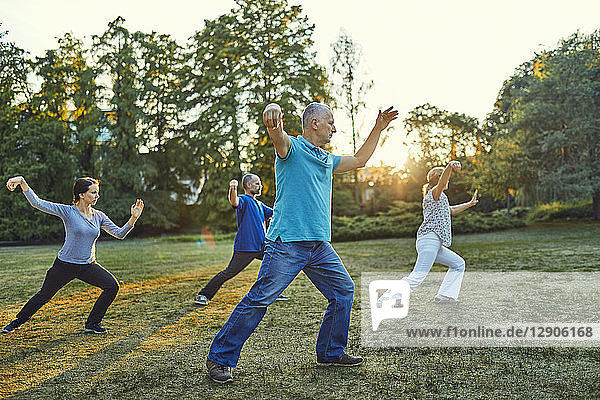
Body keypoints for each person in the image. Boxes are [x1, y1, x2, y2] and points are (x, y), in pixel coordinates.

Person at [205, 102, 398, 383]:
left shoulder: (327, 158)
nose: (334, 127)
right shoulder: (292, 149)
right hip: (287, 244)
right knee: (259, 299)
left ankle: (332, 351)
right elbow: (278, 138)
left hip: (319, 246)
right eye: (330, 122)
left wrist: (378, 128)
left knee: (343, 290)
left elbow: (359, 160)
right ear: (315, 123)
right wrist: (273, 117)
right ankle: (219, 358)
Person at [2, 176, 144, 334]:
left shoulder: (99, 216)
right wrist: (22, 181)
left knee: (112, 286)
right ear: (82, 194)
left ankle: (92, 324)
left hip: (88, 266)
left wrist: (133, 218)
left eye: (97, 192)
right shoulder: (68, 211)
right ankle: (17, 322)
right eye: (93, 192)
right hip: (64, 266)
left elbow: (119, 233)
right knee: (44, 295)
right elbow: (37, 203)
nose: (97, 196)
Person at [193, 174, 289, 306]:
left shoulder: (260, 205)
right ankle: (203, 295)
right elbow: (234, 201)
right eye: (257, 184)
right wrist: (233, 188)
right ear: (248, 185)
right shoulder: (244, 200)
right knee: (229, 273)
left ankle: (271, 292)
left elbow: (277, 213)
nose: (260, 186)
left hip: (261, 246)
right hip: (246, 247)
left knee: (277, 262)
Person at [401, 161, 478, 303]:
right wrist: (450, 166)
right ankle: (387, 299)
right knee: (417, 277)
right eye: (446, 178)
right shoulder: (433, 194)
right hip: (429, 240)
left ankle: (445, 295)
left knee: (458, 264)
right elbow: (442, 183)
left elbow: (452, 210)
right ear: (440, 179)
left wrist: (470, 203)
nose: (448, 181)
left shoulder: (441, 197)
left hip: (435, 243)